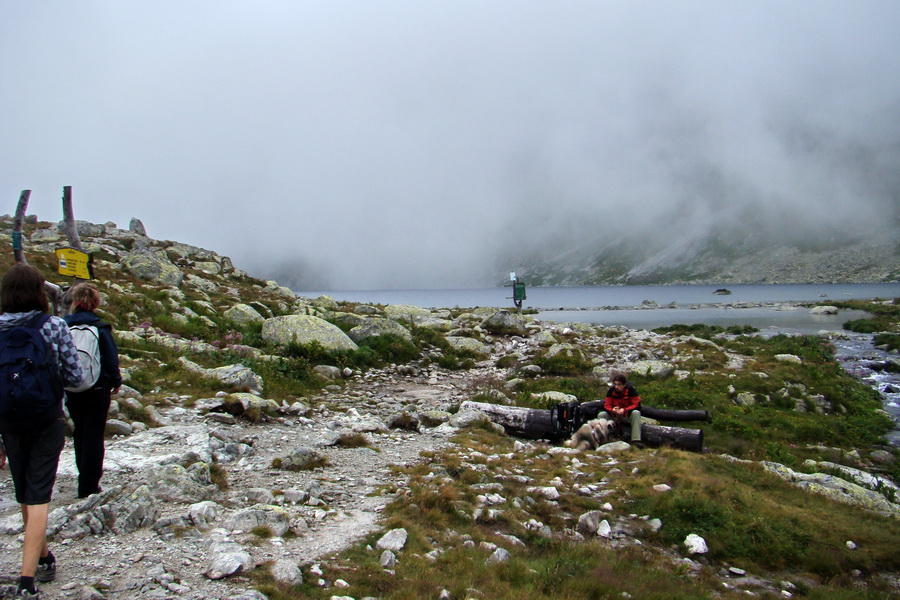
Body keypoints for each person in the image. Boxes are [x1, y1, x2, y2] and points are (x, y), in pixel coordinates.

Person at [0, 264, 84, 598]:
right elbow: (75, 376)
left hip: (8, 421)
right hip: (47, 418)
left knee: (25, 491)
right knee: (38, 495)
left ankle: (44, 556)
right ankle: (26, 580)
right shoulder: (53, 326)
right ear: (39, 291)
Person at [63, 282, 122, 499]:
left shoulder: (63, 325)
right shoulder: (100, 327)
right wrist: (115, 380)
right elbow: (110, 357)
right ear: (95, 303)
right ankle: (89, 485)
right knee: (94, 435)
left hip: (71, 387)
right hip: (97, 388)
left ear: (74, 301)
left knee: (79, 431)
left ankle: (82, 474)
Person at [603, 373, 644, 448]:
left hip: (626, 416)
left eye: (619, 385)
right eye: (615, 384)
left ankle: (636, 440)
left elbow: (636, 405)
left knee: (636, 413)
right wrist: (612, 410)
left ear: (624, 385)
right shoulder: (611, 391)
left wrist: (625, 410)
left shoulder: (631, 390)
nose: (617, 387)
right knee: (602, 415)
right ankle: (602, 439)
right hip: (614, 415)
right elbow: (606, 404)